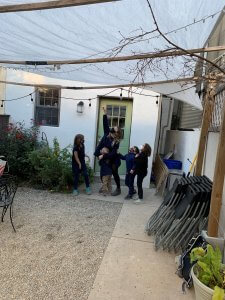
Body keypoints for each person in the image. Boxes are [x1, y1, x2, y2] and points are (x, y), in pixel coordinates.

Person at [94, 107, 122, 196]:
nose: (111, 131)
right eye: (112, 129)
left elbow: (113, 154)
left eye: (114, 131)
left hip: (113, 159)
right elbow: (105, 124)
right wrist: (105, 114)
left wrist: (103, 156)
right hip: (105, 156)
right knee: (103, 172)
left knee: (114, 172)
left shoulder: (116, 142)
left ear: (117, 134)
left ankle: (118, 188)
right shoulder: (107, 133)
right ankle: (104, 185)